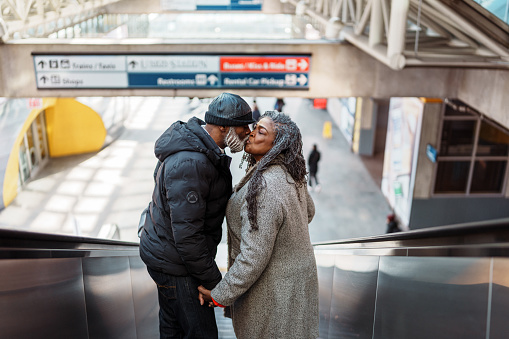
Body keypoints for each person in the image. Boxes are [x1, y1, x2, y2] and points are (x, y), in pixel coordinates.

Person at [139, 92, 254, 339]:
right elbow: (188, 236)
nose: (248, 132)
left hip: (165, 256)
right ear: (224, 126)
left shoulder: (199, 150)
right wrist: (215, 282)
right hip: (177, 265)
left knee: (173, 328)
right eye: (244, 126)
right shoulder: (192, 162)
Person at [198, 110, 319, 338]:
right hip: (297, 284)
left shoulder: (265, 187)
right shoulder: (290, 172)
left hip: (273, 294)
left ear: (278, 144)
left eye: (260, 131)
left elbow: (253, 257)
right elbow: (308, 212)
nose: (251, 134)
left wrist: (218, 295)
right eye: (254, 128)